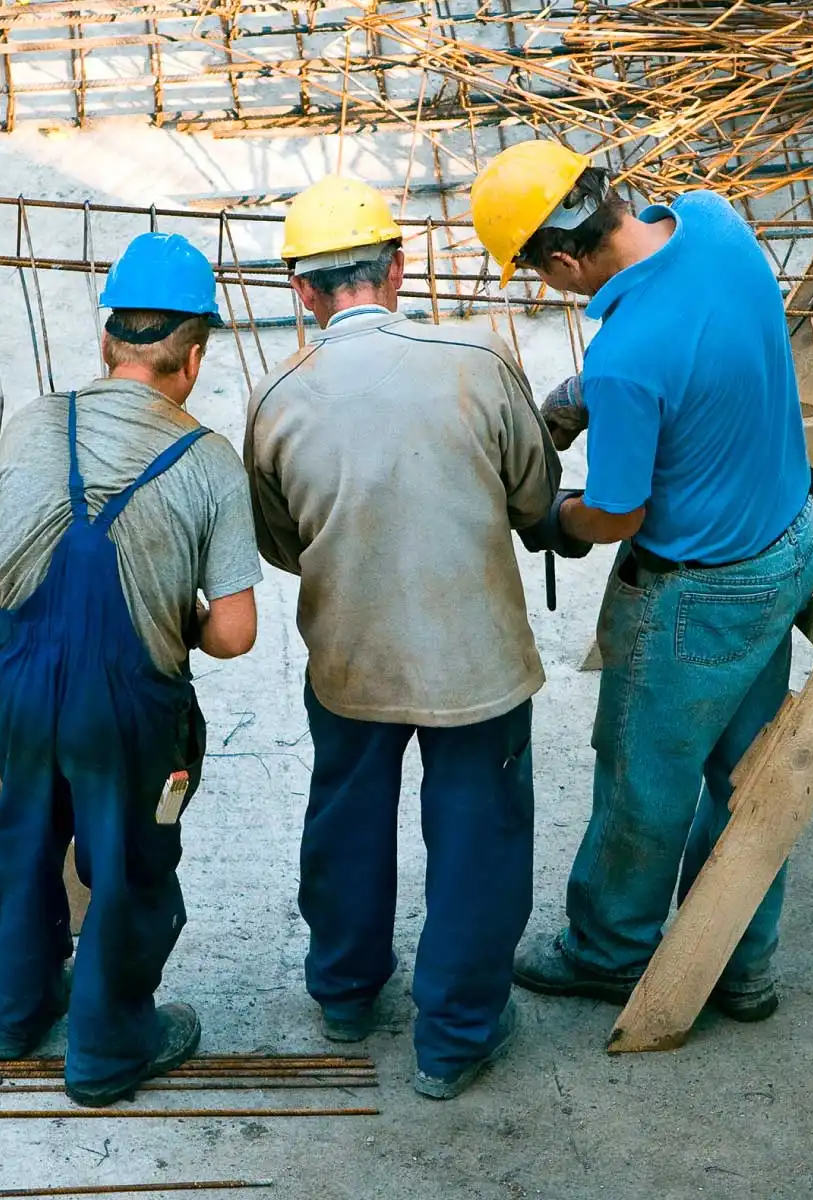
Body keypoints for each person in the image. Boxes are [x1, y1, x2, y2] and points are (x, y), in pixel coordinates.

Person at [470, 139, 813, 1020]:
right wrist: (584, 392)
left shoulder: (629, 358)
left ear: (559, 258)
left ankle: (609, 950)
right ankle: (743, 966)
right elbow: (699, 336)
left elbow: (616, 517)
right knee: (748, 775)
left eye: (539, 275)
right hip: (783, 541)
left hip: (697, 597)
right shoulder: (713, 218)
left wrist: (552, 522)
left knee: (642, 778)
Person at [243, 175, 562, 1100]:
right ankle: (454, 1038)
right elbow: (534, 502)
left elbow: (280, 543)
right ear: (398, 265)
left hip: (352, 655)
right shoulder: (480, 357)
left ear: (302, 291)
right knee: (478, 834)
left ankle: (345, 994)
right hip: (479, 660)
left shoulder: (277, 396)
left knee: (346, 817)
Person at [0, 232, 262, 1106]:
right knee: (130, 867)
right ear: (195, 357)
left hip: (20, 686)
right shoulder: (207, 461)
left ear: (107, 341)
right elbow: (237, 634)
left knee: (23, 843)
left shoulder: (29, 423)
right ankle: (105, 1049)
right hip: (128, 712)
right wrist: (178, 613)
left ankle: (12, 1016)